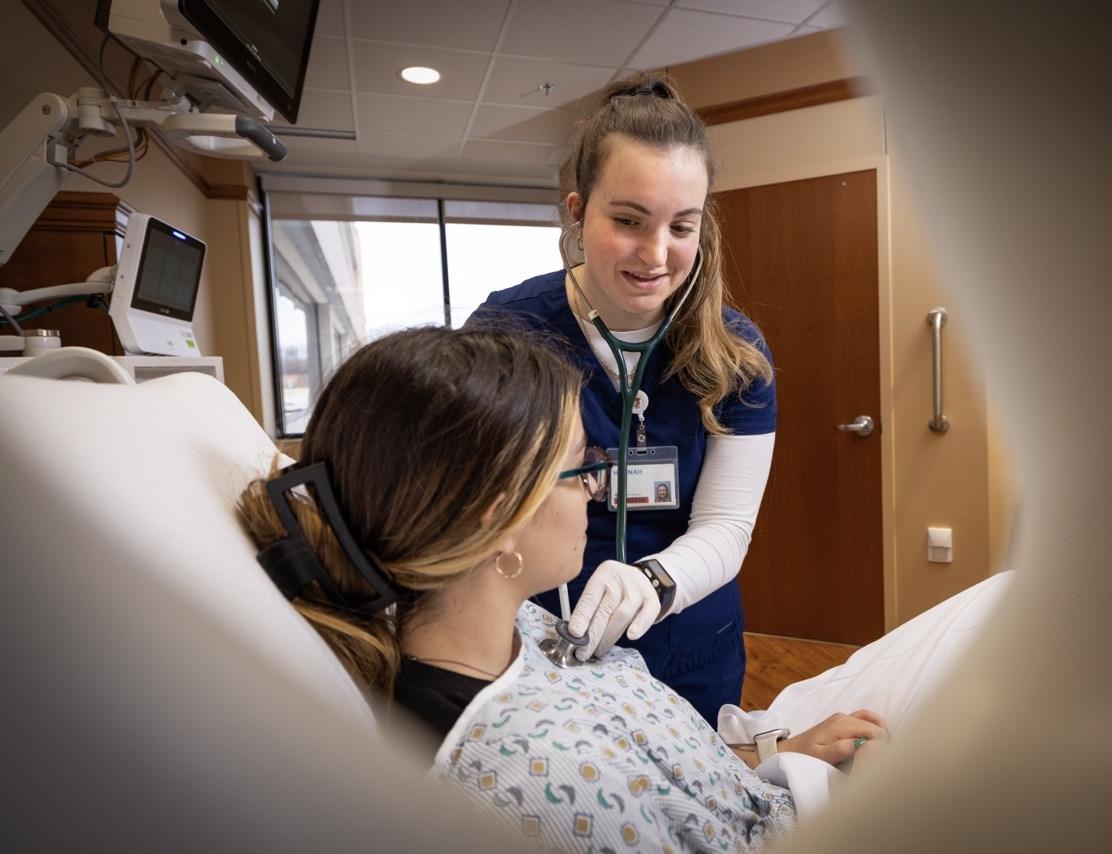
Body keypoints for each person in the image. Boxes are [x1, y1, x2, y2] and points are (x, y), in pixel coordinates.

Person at [237, 326, 1011, 852]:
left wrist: (772, 755)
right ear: (497, 517)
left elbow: (657, 773)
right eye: (580, 470)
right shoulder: (535, 783)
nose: (599, 492)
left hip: (762, 770)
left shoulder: (517, 635)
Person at [467, 73, 776, 724]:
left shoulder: (736, 354)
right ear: (578, 212)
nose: (656, 255)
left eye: (681, 227)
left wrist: (653, 581)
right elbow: (475, 504)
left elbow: (727, 525)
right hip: (545, 640)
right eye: (629, 221)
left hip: (688, 642)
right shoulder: (508, 334)